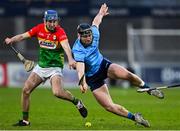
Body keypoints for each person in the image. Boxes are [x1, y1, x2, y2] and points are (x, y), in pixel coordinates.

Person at [72, 3, 164, 128]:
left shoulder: (94, 34)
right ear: (79, 36)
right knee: (109, 106)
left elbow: (96, 22)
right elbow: (80, 66)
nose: (88, 38)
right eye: (85, 36)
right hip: (92, 79)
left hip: (104, 66)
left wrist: (101, 13)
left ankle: (149, 89)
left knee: (127, 75)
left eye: (89, 35)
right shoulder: (77, 49)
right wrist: (82, 82)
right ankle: (135, 117)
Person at [4, 10, 87, 126]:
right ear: (45, 21)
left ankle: (77, 102)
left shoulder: (60, 31)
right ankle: (25, 120)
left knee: (57, 92)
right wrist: (12, 39)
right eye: (50, 21)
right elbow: (23, 35)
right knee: (26, 90)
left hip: (55, 67)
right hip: (41, 67)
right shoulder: (39, 29)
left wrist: (71, 59)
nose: (53, 24)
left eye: (55, 21)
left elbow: (66, 46)